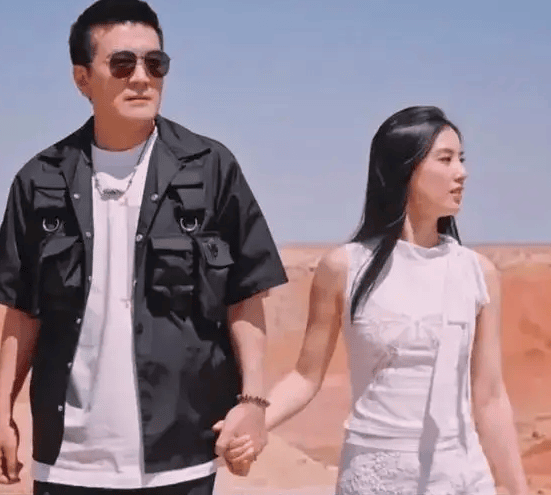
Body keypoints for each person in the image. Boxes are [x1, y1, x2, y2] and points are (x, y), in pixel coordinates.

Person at [0, 1, 289, 494]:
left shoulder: (211, 168)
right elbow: (22, 311)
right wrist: (1, 414)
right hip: (68, 464)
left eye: (155, 63)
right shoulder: (39, 180)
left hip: (180, 458)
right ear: (83, 79)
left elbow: (245, 295)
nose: (142, 78)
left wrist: (252, 402)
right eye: (122, 64)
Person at [223, 106, 531, 495]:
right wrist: (255, 423)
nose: (462, 172)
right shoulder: (344, 267)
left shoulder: (477, 273)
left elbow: (489, 397)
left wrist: (517, 489)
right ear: (405, 169)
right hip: (375, 477)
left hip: (459, 477)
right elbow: (306, 377)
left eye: (461, 159)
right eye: (446, 159)